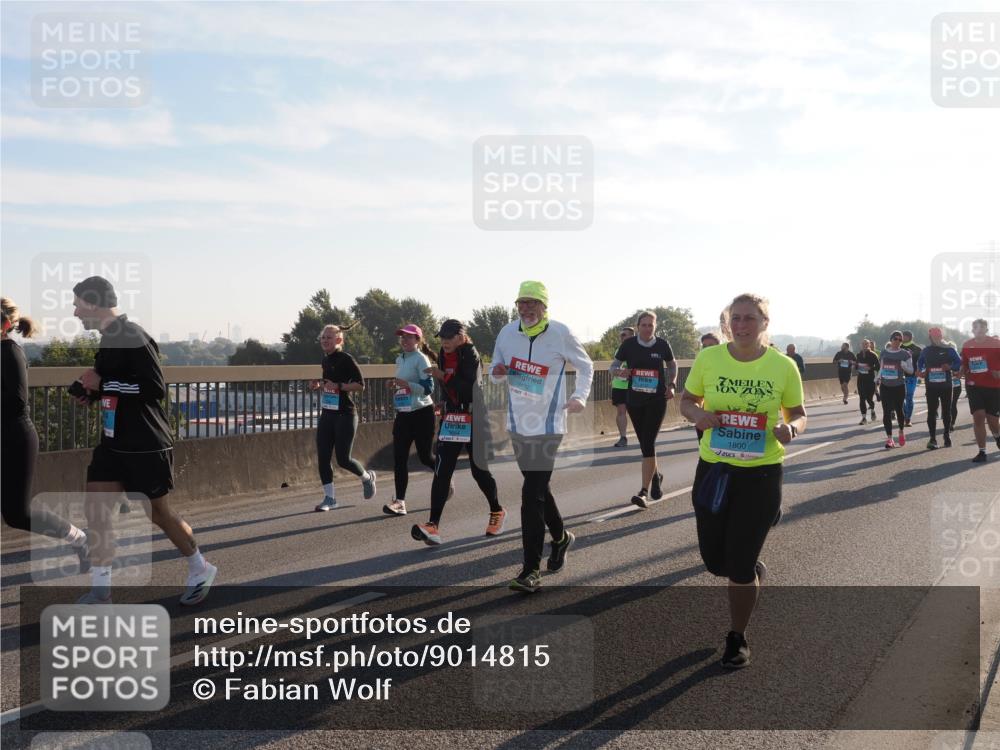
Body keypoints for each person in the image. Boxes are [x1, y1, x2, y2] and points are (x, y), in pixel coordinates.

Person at [69, 277, 216, 605]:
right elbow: (116, 387)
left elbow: (153, 389)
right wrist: (91, 393)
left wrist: (104, 382)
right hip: (112, 444)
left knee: (159, 514)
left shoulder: (133, 335)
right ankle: (101, 592)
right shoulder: (108, 339)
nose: (75, 311)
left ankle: (200, 567)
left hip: (145, 444)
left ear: (94, 303)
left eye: (78, 303)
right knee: (96, 512)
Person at [680, 292, 806, 669]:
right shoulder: (709, 358)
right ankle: (749, 570)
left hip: (761, 472)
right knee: (714, 561)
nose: (741, 325)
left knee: (738, 565)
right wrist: (697, 416)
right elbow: (687, 400)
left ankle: (737, 637)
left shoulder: (783, 366)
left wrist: (792, 429)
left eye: (749, 318)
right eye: (735, 318)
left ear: (764, 323)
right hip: (715, 470)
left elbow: (799, 413)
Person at [491, 281, 594, 593]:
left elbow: (586, 366)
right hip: (518, 422)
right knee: (539, 490)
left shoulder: (561, 332)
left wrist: (580, 397)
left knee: (530, 494)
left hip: (549, 424)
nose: (526, 309)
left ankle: (530, 570)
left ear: (544, 306)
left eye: (532, 303)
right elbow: (496, 365)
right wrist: (496, 371)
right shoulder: (507, 333)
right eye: (521, 303)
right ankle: (561, 538)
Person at [1, 297, 90, 569]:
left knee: (17, 514)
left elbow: (16, 401)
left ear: (4, 324)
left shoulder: (10, 352)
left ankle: (79, 538)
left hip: (15, 438)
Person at [411, 320, 504, 544]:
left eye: (449, 337)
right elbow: (450, 387)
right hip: (452, 418)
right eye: (442, 337)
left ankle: (497, 511)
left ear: (462, 336)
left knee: (478, 471)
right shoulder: (444, 355)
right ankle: (433, 525)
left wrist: (442, 376)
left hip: (474, 418)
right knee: (442, 470)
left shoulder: (470, 354)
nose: (444, 341)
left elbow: (467, 386)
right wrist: (443, 402)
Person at [612, 311, 676, 508]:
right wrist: (619, 371)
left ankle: (643, 492)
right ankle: (656, 475)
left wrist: (672, 384)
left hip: (657, 399)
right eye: (644, 325)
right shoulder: (628, 345)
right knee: (644, 443)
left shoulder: (662, 344)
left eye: (651, 325)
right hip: (634, 400)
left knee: (648, 442)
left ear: (655, 326)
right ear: (638, 326)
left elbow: (672, 364)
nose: (647, 328)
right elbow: (613, 366)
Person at [310, 322, 376, 511]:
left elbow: (360, 385)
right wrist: (319, 384)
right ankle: (330, 498)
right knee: (323, 456)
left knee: (343, 459)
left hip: (345, 415)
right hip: (328, 414)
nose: (324, 340)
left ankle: (367, 477)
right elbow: (329, 382)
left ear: (339, 340)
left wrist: (339, 386)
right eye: (323, 337)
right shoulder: (325, 360)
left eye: (329, 337)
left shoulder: (346, 359)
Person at [383, 324, 437, 516]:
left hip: (422, 413)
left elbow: (429, 387)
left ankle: (444, 477)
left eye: (409, 337)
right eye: (402, 337)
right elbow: (404, 384)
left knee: (424, 457)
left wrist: (407, 384)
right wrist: (394, 384)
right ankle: (400, 502)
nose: (405, 340)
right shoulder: (400, 359)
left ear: (418, 340)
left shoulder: (421, 359)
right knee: (399, 459)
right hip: (404, 413)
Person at [960, 319, 1000, 463]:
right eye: (977, 328)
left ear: (986, 330)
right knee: (979, 416)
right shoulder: (967, 345)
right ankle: (982, 452)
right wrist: (960, 372)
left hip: (994, 387)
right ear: (973, 330)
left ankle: (997, 436)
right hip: (974, 386)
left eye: (982, 329)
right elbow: (964, 365)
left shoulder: (996, 344)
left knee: (993, 421)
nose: (980, 331)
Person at [916, 328, 962, 449]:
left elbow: (959, 362)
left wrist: (950, 366)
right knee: (931, 411)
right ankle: (932, 438)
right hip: (931, 386)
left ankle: (946, 435)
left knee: (946, 411)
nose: (937, 339)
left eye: (938, 336)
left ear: (941, 337)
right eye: (934, 337)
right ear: (930, 338)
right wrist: (920, 371)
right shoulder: (926, 351)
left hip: (946, 386)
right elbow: (919, 363)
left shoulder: (949, 350)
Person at [877, 331, 913, 449]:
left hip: (898, 386)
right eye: (896, 339)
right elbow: (881, 368)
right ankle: (890, 439)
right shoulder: (883, 352)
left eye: (900, 340)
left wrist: (904, 366)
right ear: (891, 339)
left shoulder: (905, 354)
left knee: (899, 410)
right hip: (885, 386)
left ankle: (901, 432)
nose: (898, 341)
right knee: (886, 412)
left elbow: (911, 371)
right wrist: (877, 378)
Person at [694, 332, 721, 442]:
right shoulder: (699, 365)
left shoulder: (728, 365)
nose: (707, 349)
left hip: (723, 414)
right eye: (704, 346)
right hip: (704, 414)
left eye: (711, 346)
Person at [610, 327, 634, 448]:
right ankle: (623, 437)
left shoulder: (638, 349)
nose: (621, 337)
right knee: (621, 411)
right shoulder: (619, 350)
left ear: (631, 336)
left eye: (624, 335)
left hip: (635, 385)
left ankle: (645, 436)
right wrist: (619, 372)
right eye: (621, 335)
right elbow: (614, 366)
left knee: (638, 412)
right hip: (619, 385)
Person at [900, 330, 922, 427]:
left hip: (912, 376)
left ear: (909, 337)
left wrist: (919, 371)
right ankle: (904, 415)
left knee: (909, 397)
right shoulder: (898, 348)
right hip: (899, 377)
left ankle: (908, 418)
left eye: (903, 336)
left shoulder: (917, 349)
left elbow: (922, 362)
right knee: (901, 398)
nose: (901, 338)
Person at [855, 339, 880, 424]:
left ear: (869, 345)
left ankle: (872, 410)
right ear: (860, 345)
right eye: (863, 344)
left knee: (869, 399)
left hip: (870, 379)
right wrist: (857, 366)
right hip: (861, 379)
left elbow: (878, 366)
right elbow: (856, 366)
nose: (864, 345)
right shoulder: (858, 355)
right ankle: (864, 418)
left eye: (866, 344)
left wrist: (870, 368)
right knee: (862, 398)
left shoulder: (873, 355)